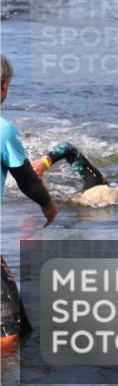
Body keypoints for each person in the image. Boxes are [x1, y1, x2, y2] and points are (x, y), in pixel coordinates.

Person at [0, 53, 58, 347]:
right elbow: (26, 179)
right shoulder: (3, 130)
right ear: (4, 86)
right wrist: (49, 205)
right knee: (10, 331)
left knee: (21, 327)